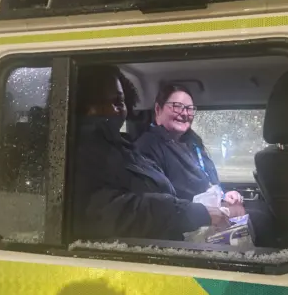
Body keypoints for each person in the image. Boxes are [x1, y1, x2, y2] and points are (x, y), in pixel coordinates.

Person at [71, 65, 230, 241]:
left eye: (119, 100)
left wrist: (222, 198)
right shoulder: (79, 152)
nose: (185, 113)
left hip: (174, 234)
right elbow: (108, 214)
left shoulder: (123, 147)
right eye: (177, 106)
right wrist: (193, 212)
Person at [135, 84, 244, 216]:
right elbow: (158, 205)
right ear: (158, 110)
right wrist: (203, 214)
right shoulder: (147, 147)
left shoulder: (193, 143)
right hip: (185, 226)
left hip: (211, 217)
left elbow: (208, 185)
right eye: (177, 106)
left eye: (189, 109)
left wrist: (224, 196)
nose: (185, 113)